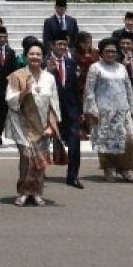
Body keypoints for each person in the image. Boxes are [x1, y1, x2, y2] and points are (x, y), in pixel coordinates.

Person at [5, 42, 62, 206]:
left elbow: (54, 102)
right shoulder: (17, 76)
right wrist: (23, 92)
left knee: (40, 159)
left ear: (43, 57)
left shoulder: (49, 78)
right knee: (26, 157)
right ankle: (23, 191)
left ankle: (36, 192)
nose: (35, 57)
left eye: (38, 54)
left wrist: (52, 125)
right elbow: (10, 101)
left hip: (42, 125)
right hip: (21, 124)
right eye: (31, 54)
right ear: (26, 56)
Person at [84, 38, 133, 183]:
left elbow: (128, 88)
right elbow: (89, 91)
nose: (110, 54)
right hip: (103, 112)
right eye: (107, 51)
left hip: (122, 111)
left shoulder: (121, 68)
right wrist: (92, 109)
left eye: (113, 51)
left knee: (128, 141)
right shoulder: (95, 68)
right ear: (101, 52)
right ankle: (108, 168)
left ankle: (124, 168)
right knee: (106, 143)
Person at [47, 32, 83, 189]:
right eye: (59, 44)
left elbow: (76, 88)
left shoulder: (71, 63)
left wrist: (80, 111)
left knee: (75, 143)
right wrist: (47, 71)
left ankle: (73, 176)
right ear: (52, 45)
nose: (62, 47)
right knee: (42, 144)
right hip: (49, 110)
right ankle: (38, 173)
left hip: (70, 110)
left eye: (64, 44)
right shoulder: (43, 62)